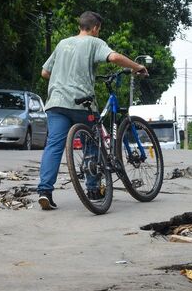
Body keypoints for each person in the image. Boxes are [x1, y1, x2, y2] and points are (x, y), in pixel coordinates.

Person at [37, 11, 148, 210]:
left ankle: (45, 192)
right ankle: (93, 188)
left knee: (54, 145)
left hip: (55, 102)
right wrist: (136, 67)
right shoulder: (94, 43)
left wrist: (63, 77)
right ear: (95, 28)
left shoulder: (62, 43)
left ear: (80, 25)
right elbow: (113, 57)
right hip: (81, 103)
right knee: (92, 143)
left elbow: (45, 72)